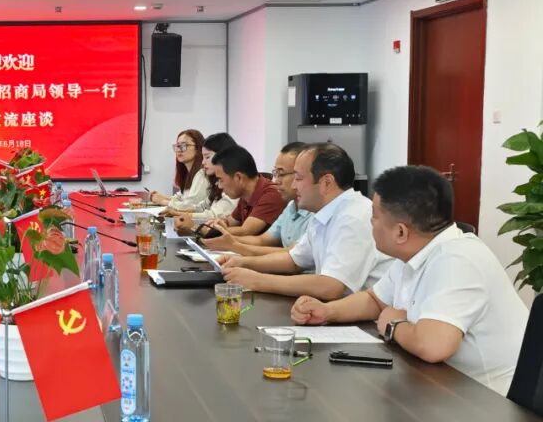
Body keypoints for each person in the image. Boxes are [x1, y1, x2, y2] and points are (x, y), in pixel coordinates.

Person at [291, 166, 528, 395]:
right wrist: (327, 311)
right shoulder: (417, 252)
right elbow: (375, 300)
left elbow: (433, 346)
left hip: (488, 400)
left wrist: (393, 324)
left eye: (374, 217)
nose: (370, 223)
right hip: (443, 385)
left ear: (401, 232)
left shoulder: (457, 259)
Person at [219, 143, 390, 300]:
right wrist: (243, 262)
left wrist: (257, 281)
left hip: (369, 318)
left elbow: (330, 286)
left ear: (326, 183)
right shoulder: (323, 214)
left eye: (299, 178)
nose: (294, 186)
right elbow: (294, 260)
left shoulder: (353, 217)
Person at [203, 142, 313, 255]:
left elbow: (292, 256)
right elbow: (262, 240)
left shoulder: (275, 194)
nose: (276, 181)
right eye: (275, 173)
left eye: (281, 174)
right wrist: (225, 239)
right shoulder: (291, 207)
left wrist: (233, 245)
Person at [203, 145, 286, 236]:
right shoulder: (245, 195)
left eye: (220, 180)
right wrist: (219, 223)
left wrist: (207, 231)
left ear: (238, 178)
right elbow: (230, 222)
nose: (219, 186)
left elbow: (246, 231)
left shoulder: (272, 194)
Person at [170, 133, 240, 234]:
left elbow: (214, 215)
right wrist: (177, 213)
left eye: (207, 157)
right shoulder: (216, 181)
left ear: (223, 157)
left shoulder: (233, 183)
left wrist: (186, 217)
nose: (203, 162)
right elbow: (202, 206)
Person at [150, 130, 210, 211]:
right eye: (177, 146)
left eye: (183, 145)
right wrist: (161, 197)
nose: (178, 150)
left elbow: (190, 205)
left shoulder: (202, 173)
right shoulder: (188, 173)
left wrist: (162, 201)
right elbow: (181, 197)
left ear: (198, 148)